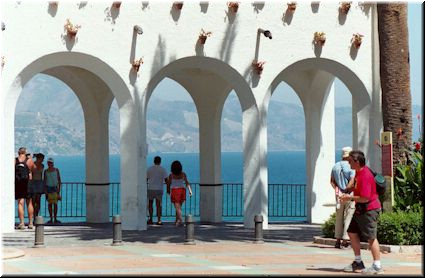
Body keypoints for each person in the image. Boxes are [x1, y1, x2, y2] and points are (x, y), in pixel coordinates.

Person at [340, 150, 383, 274]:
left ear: (357, 162)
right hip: (361, 209)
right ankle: (358, 262)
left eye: (350, 162)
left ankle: (377, 266)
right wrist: (349, 191)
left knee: (371, 237)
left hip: (369, 209)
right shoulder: (359, 172)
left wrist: (349, 198)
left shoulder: (365, 175)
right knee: (352, 232)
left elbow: (365, 197)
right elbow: (357, 188)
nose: (349, 164)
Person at [330, 146, 355, 249]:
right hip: (349, 195)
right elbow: (352, 181)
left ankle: (337, 240)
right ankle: (345, 240)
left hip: (338, 195)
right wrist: (346, 191)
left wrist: (338, 190)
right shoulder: (351, 166)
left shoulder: (335, 166)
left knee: (339, 217)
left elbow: (331, 181)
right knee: (348, 216)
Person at [166, 160, 192, 226]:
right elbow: (187, 183)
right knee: (179, 207)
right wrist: (190, 191)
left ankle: (181, 220)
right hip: (182, 190)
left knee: (177, 208)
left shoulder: (171, 175)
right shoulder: (183, 174)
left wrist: (168, 191)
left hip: (175, 191)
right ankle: (176, 221)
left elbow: (168, 184)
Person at [14, 147, 34, 229]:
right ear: (25, 153)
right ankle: (30, 223)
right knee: (29, 203)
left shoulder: (15, 160)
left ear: (19, 153)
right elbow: (33, 169)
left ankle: (22, 223)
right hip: (27, 183)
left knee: (20, 203)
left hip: (19, 183)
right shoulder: (29, 161)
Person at [146, 156, 168, 225]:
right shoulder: (163, 169)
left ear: (154, 161)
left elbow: (146, 179)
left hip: (150, 188)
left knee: (150, 205)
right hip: (159, 189)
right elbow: (166, 180)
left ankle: (151, 219)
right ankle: (159, 220)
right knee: (159, 205)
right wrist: (168, 188)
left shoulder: (149, 169)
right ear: (160, 161)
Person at [44, 157, 62, 224]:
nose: (50, 164)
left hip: (55, 188)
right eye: (49, 162)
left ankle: (55, 218)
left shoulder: (56, 170)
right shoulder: (46, 171)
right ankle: (51, 218)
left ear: (53, 163)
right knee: (50, 204)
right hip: (49, 188)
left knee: (55, 204)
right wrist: (45, 190)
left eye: (51, 162)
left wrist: (58, 190)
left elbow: (59, 180)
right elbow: (45, 181)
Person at [28, 153, 45, 222]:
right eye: (42, 159)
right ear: (39, 158)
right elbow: (31, 174)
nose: (43, 160)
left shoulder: (42, 166)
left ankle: (36, 216)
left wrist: (43, 185)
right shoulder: (33, 164)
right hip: (33, 183)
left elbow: (41, 175)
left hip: (39, 183)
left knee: (38, 201)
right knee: (33, 201)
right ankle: (32, 218)